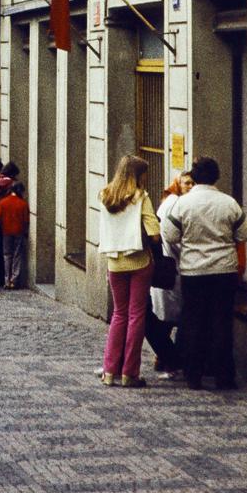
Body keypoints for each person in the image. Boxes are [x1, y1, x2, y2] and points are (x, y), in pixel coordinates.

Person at [161, 156, 247, 391]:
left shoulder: (183, 204)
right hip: (224, 270)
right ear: (216, 176)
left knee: (193, 322)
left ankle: (194, 375)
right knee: (222, 322)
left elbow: (170, 234)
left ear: (195, 177)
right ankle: (224, 376)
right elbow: (244, 234)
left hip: (194, 270)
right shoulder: (229, 203)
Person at [98, 155, 161, 388]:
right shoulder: (141, 197)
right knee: (136, 316)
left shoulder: (105, 195)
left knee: (119, 314)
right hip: (139, 262)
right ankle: (129, 373)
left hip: (114, 262)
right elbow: (154, 233)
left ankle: (109, 371)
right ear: (137, 175)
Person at [147, 170, 193, 378]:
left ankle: (165, 358)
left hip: (170, 267)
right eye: (186, 183)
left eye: (193, 183)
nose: (190, 187)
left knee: (166, 315)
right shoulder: (174, 203)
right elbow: (173, 237)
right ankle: (169, 359)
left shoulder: (174, 202)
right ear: (177, 185)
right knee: (168, 317)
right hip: (172, 267)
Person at [0, 180, 29, 289]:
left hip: (6, 231)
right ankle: (14, 280)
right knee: (17, 255)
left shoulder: (3, 202)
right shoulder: (23, 204)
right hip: (19, 231)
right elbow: (26, 220)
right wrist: (25, 231)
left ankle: (7, 280)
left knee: (7, 255)